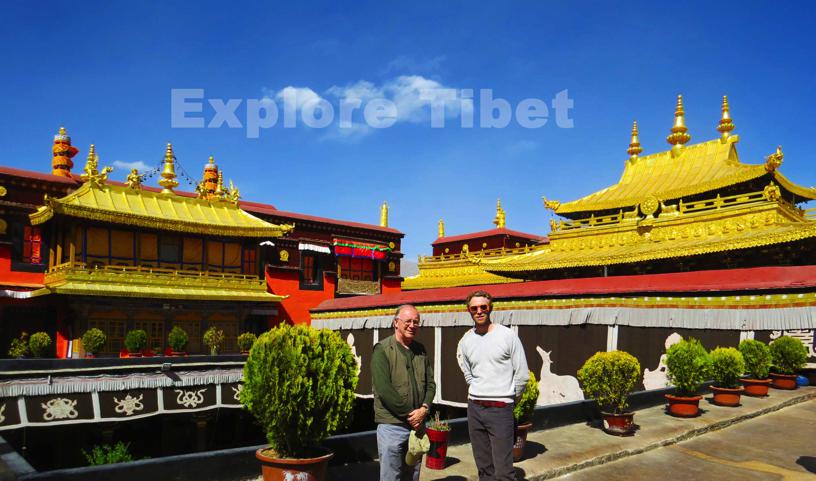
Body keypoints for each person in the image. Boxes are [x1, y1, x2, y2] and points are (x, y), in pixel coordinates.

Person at [457, 290, 529, 481]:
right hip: (475, 408)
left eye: (483, 307)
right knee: (484, 468)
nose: (479, 311)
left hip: (501, 409)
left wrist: (507, 398)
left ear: (490, 308)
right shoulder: (466, 340)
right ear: (469, 311)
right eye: (474, 308)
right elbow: (467, 371)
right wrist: (478, 389)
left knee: (504, 470)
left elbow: (521, 374)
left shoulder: (507, 336)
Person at [372, 304, 436, 481]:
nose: (412, 325)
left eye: (416, 322)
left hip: (417, 426)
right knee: (391, 476)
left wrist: (424, 408)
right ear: (396, 323)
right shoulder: (382, 349)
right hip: (392, 425)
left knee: (412, 475)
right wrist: (411, 415)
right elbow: (384, 390)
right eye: (408, 321)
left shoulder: (420, 350)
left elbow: (431, 384)